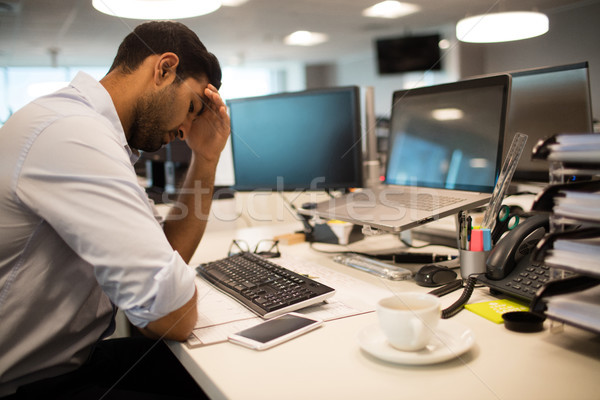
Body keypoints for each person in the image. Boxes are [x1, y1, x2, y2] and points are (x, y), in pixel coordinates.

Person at [0, 20, 230, 399]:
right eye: (191, 107)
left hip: (63, 362)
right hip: (29, 386)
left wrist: (205, 158)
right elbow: (169, 316)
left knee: (214, 369)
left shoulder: (89, 130)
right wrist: (175, 295)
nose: (187, 129)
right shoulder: (74, 134)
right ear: (164, 69)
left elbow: (167, 260)